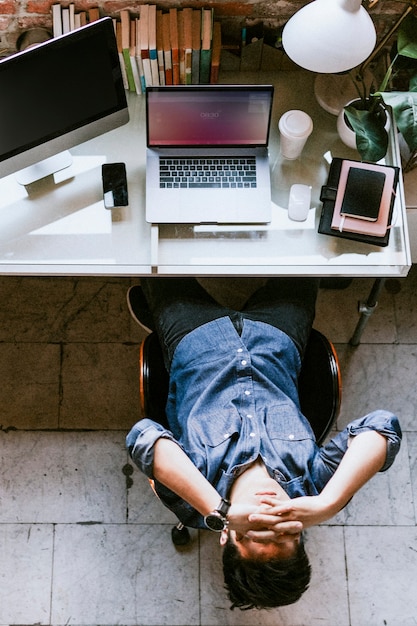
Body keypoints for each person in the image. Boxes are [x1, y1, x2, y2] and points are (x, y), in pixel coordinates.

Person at [126, 278, 401, 610]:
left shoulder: (196, 501)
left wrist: (220, 511)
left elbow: (143, 437)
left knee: (156, 256)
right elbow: (383, 426)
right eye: (285, 531)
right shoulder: (315, 487)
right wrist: (328, 504)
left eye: (254, 530)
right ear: (301, 529)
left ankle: (159, 315)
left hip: (195, 339)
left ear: (227, 537)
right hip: (276, 338)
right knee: (305, 255)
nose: (267, 513)